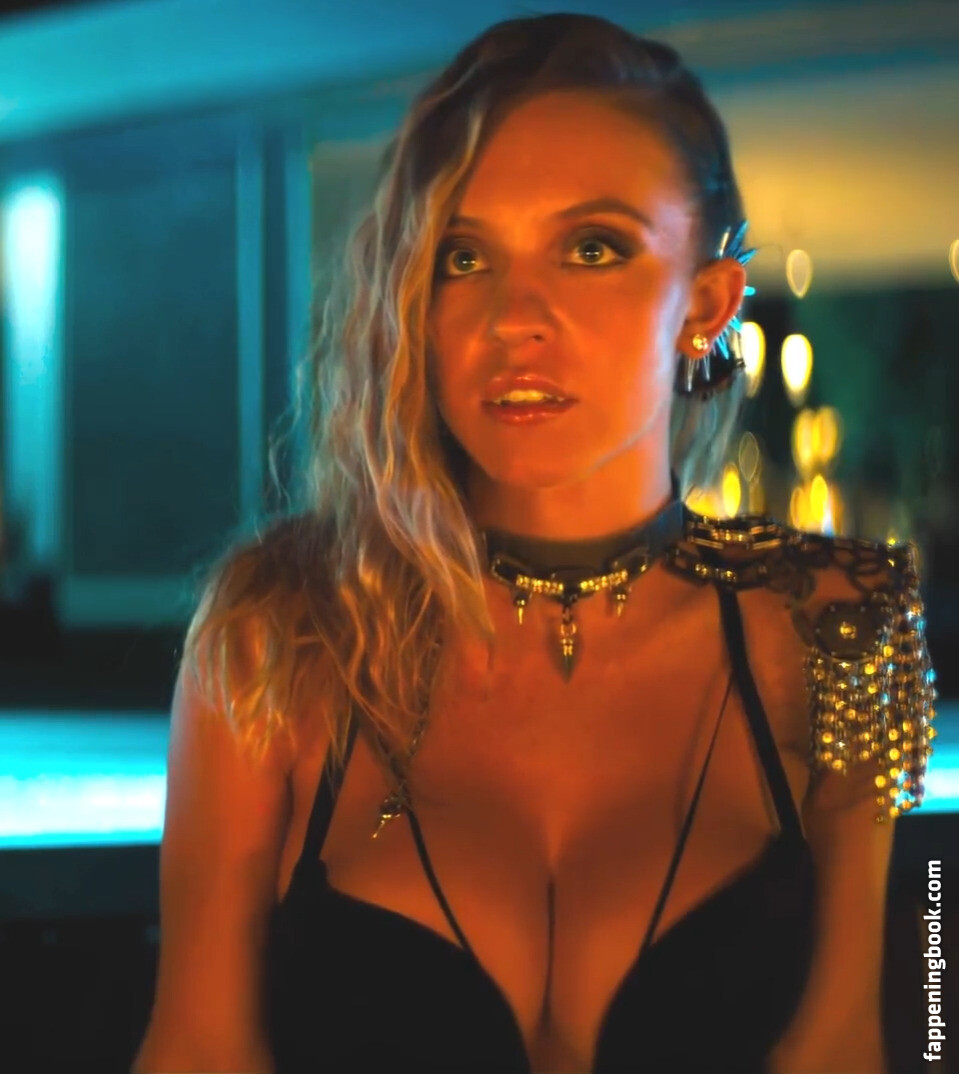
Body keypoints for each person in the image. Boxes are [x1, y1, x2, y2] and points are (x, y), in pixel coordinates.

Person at [132, 13, 936, 1074]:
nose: (514, 317)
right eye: (462, 257)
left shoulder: (840, 620)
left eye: (592, 248)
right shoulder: (279, 632)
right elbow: (196, 1049)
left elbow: (860, 1042)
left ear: (705, 305)